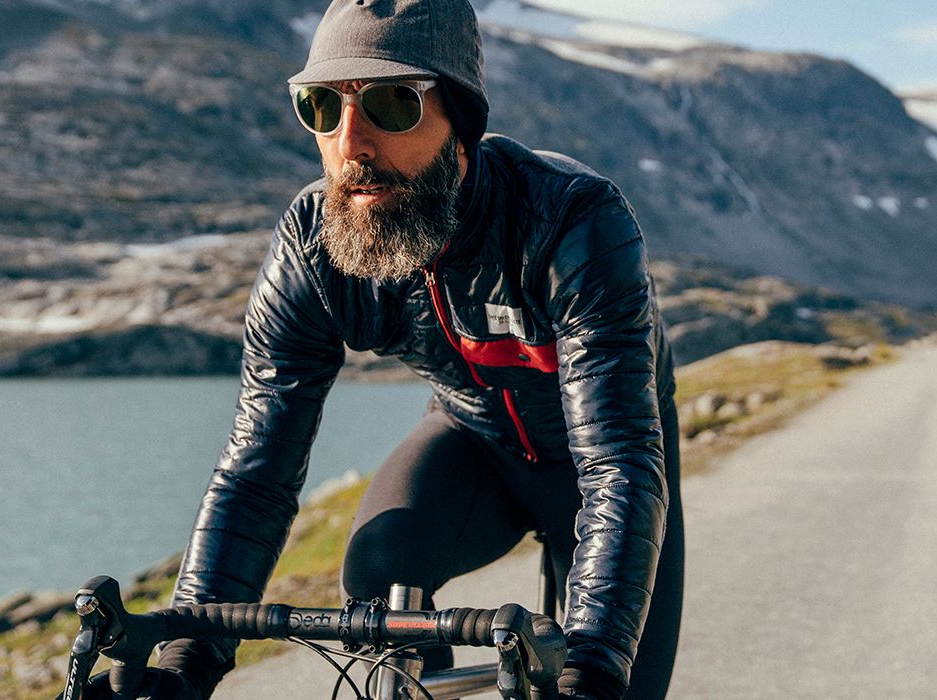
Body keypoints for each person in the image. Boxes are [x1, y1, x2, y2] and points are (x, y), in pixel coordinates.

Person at [143, 1, 684, 698]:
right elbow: (256, 473)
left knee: (605, 675)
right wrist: (186, 659)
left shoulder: (572, 221)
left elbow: (616, 463)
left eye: (391, 105)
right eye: (320, 108)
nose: (351, 143)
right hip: (475, 440)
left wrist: (596, 665)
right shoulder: (314, 246)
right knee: (379, 570)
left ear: (461, 126)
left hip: (609, 464)